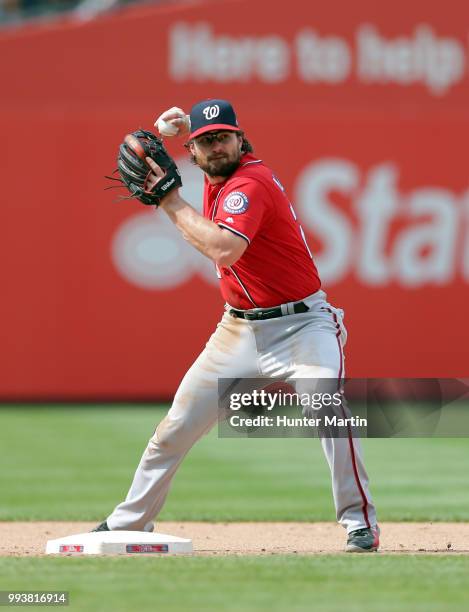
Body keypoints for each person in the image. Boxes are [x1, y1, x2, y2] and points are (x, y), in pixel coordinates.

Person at [94, 99, 379, 552]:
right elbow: (203, 134)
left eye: (224, 137)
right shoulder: (215, 169)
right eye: (206, 141)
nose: (217, 146)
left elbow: (224, 249)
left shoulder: (251, 181)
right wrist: (182, 125)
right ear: (192, 150)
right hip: (238, 330)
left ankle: (358, 523)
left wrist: (169, 198)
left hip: (303, 325)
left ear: (240, 139)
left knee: (326, 409)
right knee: (177, 425)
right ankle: (130, 520)